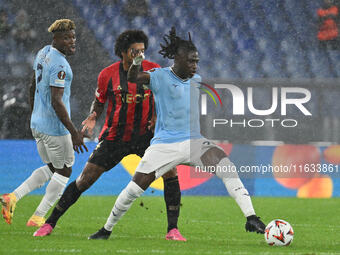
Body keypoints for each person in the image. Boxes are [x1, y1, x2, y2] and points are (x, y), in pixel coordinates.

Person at [85, 27, 266, 241]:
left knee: (226, 166)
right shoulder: (159, 76)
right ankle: (106, 229)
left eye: (196, 61)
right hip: (164, 145)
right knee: (134, 189)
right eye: (191, 61)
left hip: (194, 143)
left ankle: (251, 217)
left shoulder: (196, 80)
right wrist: (136, 62)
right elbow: (133, 78)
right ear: (177, 59)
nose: (195, 66)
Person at [34, 30, 185, 241]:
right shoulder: (107, 74)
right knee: (85, 180)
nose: (140, 55)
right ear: (123, 52)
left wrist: (157, 117)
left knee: (170, 171)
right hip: (116, 137)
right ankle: (49, 223)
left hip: (147, 137)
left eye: (142, 51)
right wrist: (93, 117)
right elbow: (99, 101)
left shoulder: (153, 70)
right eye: (135, 51)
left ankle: (173, 230)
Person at [0, 19, 87, 227]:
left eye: (73, 37)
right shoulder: (60, 65)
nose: (72, 41)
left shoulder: (43, 52)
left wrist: (34, 113)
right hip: (54, 128)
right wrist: (74, 131)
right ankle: (38, 216)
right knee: (65, 170)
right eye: (66, 38)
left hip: (38, 124)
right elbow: (57, 101)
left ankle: (11, 198)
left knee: (52, 167)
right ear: (55, 39)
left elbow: (32, 85)